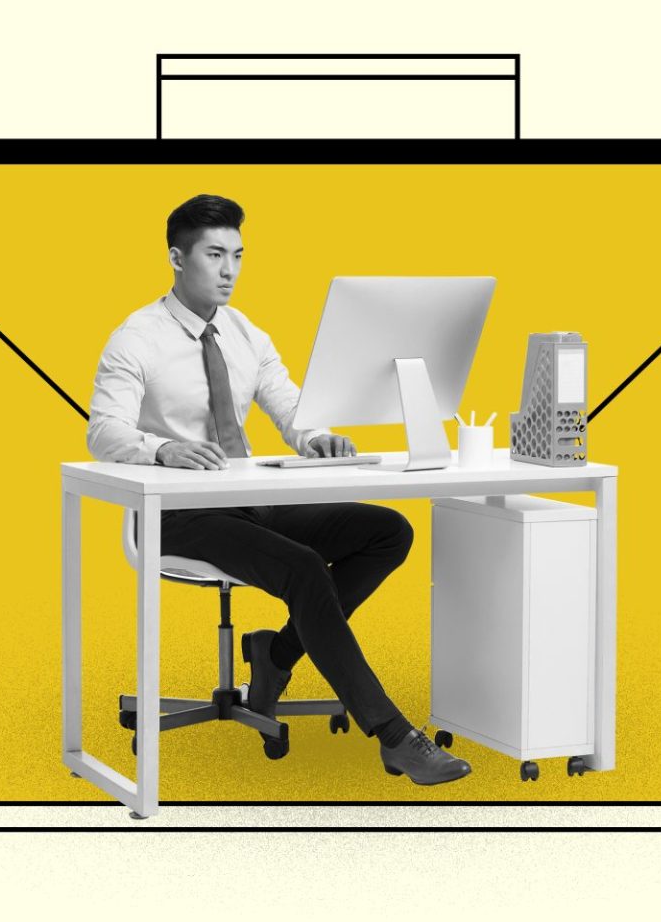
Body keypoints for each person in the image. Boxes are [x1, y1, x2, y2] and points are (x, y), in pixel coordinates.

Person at [86, 194, 471, 785]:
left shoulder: (245, 333)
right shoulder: (136, 337)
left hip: (248, 502)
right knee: (305, 567)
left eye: (237, 255)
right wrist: (162, 448)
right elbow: (104, 430)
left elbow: (290, 406)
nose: (229, 270)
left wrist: (315, 435)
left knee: (387, 531)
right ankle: (394, 734)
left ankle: (278, 655)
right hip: (178, 512)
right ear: (175, 257)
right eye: (214, 254)